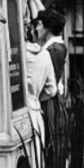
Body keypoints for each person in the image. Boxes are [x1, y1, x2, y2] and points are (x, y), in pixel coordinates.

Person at [24, 20, 57, 168]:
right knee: (36, 165)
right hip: (36, 112)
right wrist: (36, 97)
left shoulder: (17, 54)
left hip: (19, 112)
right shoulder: (45, 54)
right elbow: (52, 89)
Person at [35, 8, 69, 141]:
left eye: (39, 24)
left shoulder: (53, 49)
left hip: (50, 101)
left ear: (47, 28)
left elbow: (50, 81)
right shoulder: (54, 46)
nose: (37, 28)